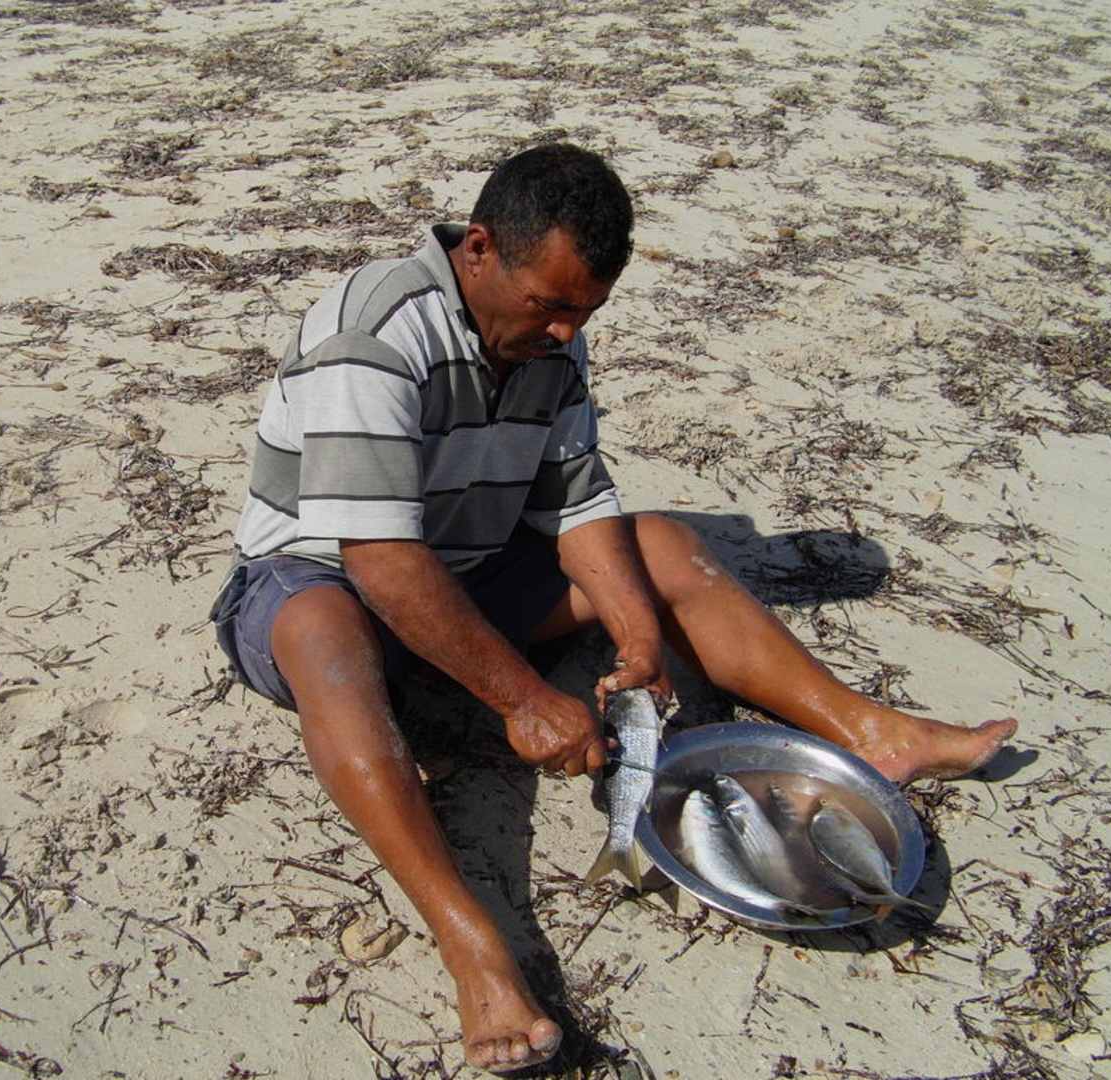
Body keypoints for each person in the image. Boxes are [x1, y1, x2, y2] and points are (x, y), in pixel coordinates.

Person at [209, 143, 1016, 1074]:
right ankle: (471, 942)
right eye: (550, 306)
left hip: (470, 571)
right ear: (479, 248)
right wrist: (524, 699)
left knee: (662, 545)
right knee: (327, 637)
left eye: (585, 312)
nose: (565, 332)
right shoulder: (376, 333)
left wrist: (636, 634)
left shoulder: (550, 330)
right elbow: (384, 568)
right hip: (319, 581)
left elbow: (579, 500)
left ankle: (869, 730)